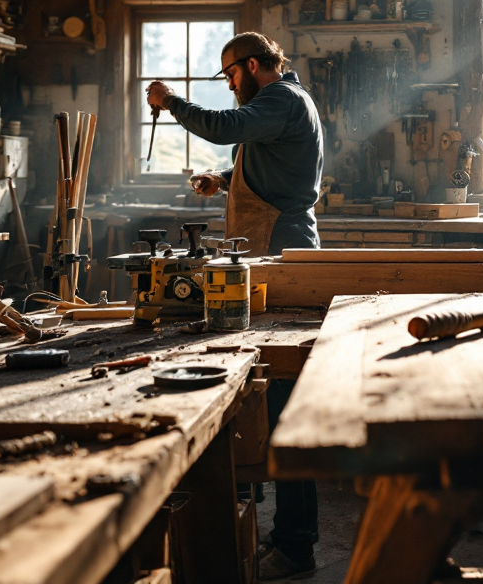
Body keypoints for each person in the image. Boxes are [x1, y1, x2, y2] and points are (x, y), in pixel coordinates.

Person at [146, 31, 322, 580]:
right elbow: (264, 162)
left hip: (281, 251)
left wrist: (171, 102)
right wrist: (223, 181)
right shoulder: (281, 104)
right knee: (262, 395)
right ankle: (254, 522)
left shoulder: (280, 100)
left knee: (285, 403)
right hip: (270, 246)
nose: (229, 84)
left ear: (251, 65)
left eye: (229, 75)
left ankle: (295, 546)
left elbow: (225, 128)